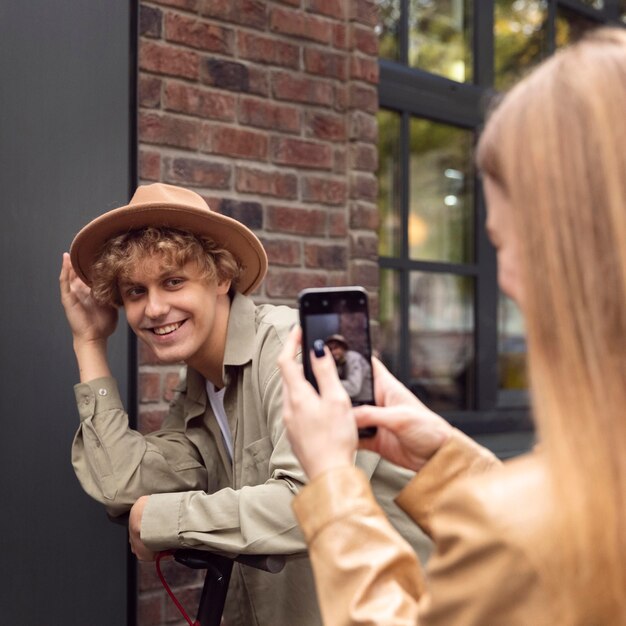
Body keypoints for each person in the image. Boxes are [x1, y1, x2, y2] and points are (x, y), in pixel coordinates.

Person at [278, 27, 626, 625]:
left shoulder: (518, 532)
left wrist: (334, 480)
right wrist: (448, 458)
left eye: (500, 242)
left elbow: (528, 543)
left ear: (562, 250)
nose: (507, 279)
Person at [59, 182, 432, 626]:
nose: (154, 308)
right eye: (135, 292)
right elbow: (122, 483)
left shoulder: (300, 353)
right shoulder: (201, 386)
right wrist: (90, 342)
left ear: (221, 277)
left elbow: (313, 506)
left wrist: (164, 517)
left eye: (173, 281)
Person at [324, 334, 373, 403]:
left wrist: (329, 383)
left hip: (366, 402)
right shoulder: (338, 363)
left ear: (343, 348)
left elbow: (353, 388)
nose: (333, 352)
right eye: (330, 349)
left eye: (336, 348)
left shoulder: (353, 359)